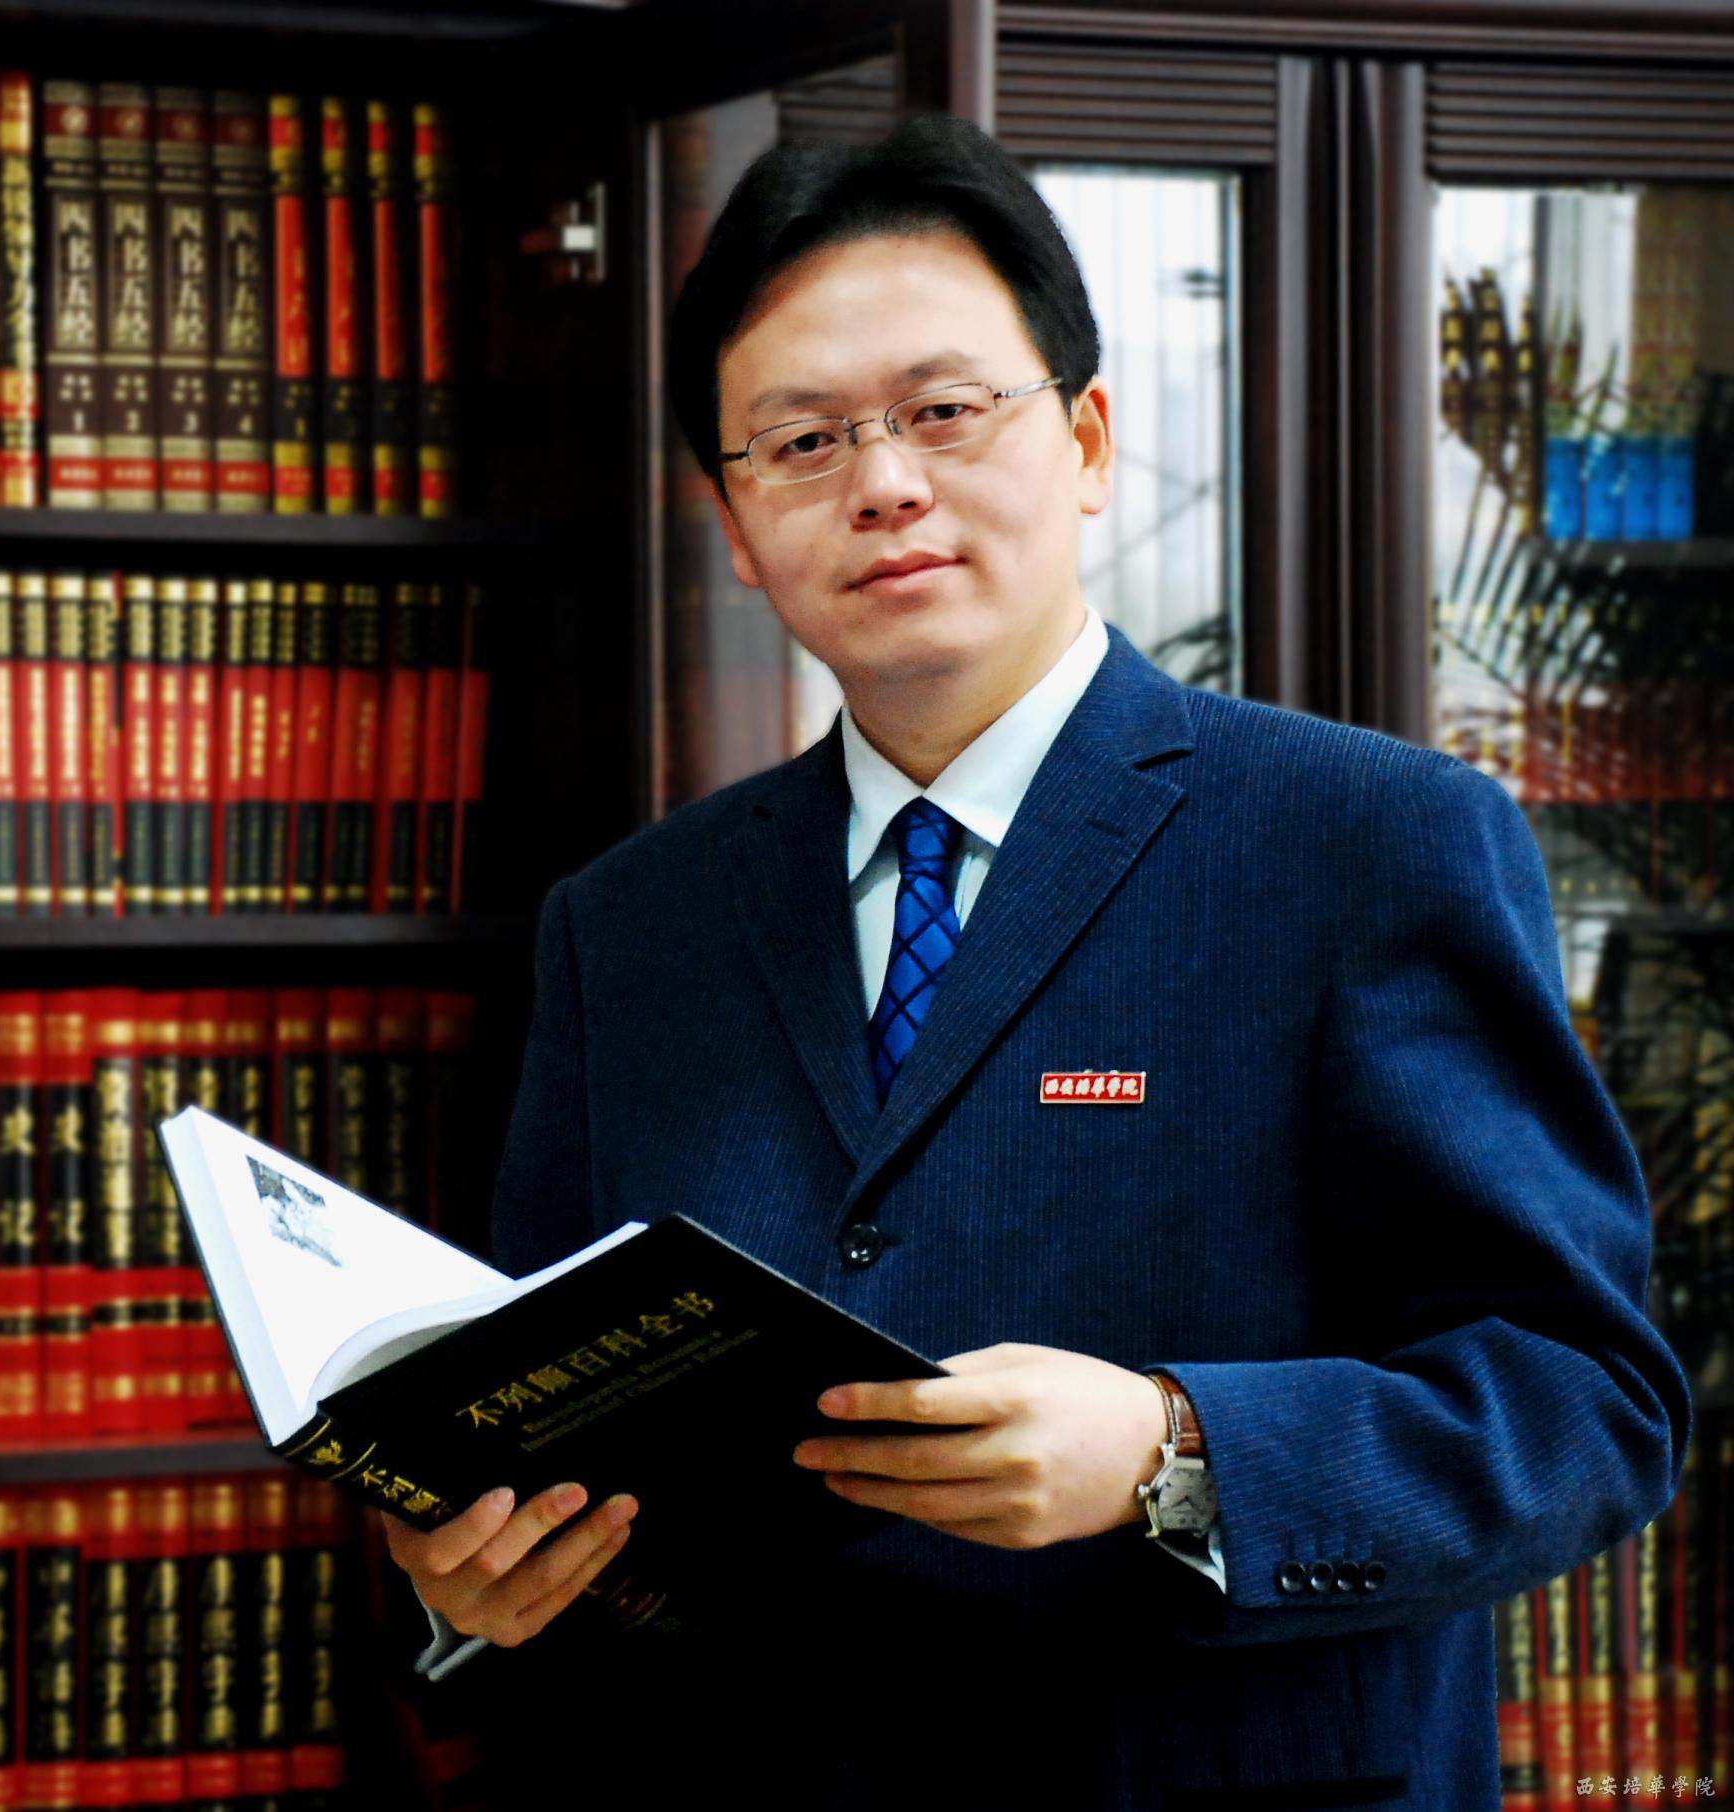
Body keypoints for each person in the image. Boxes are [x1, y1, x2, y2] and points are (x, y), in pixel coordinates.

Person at [374, 113, 1691, 1810]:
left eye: (943, 410)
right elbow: (541, 1421)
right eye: (801, 441)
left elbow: (1584, 1403)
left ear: (1084, 441)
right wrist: (474, 1582)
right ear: (736, 523)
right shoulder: (630, 924)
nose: (884, 484)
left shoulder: (1370, 841)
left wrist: (1173, 1452)